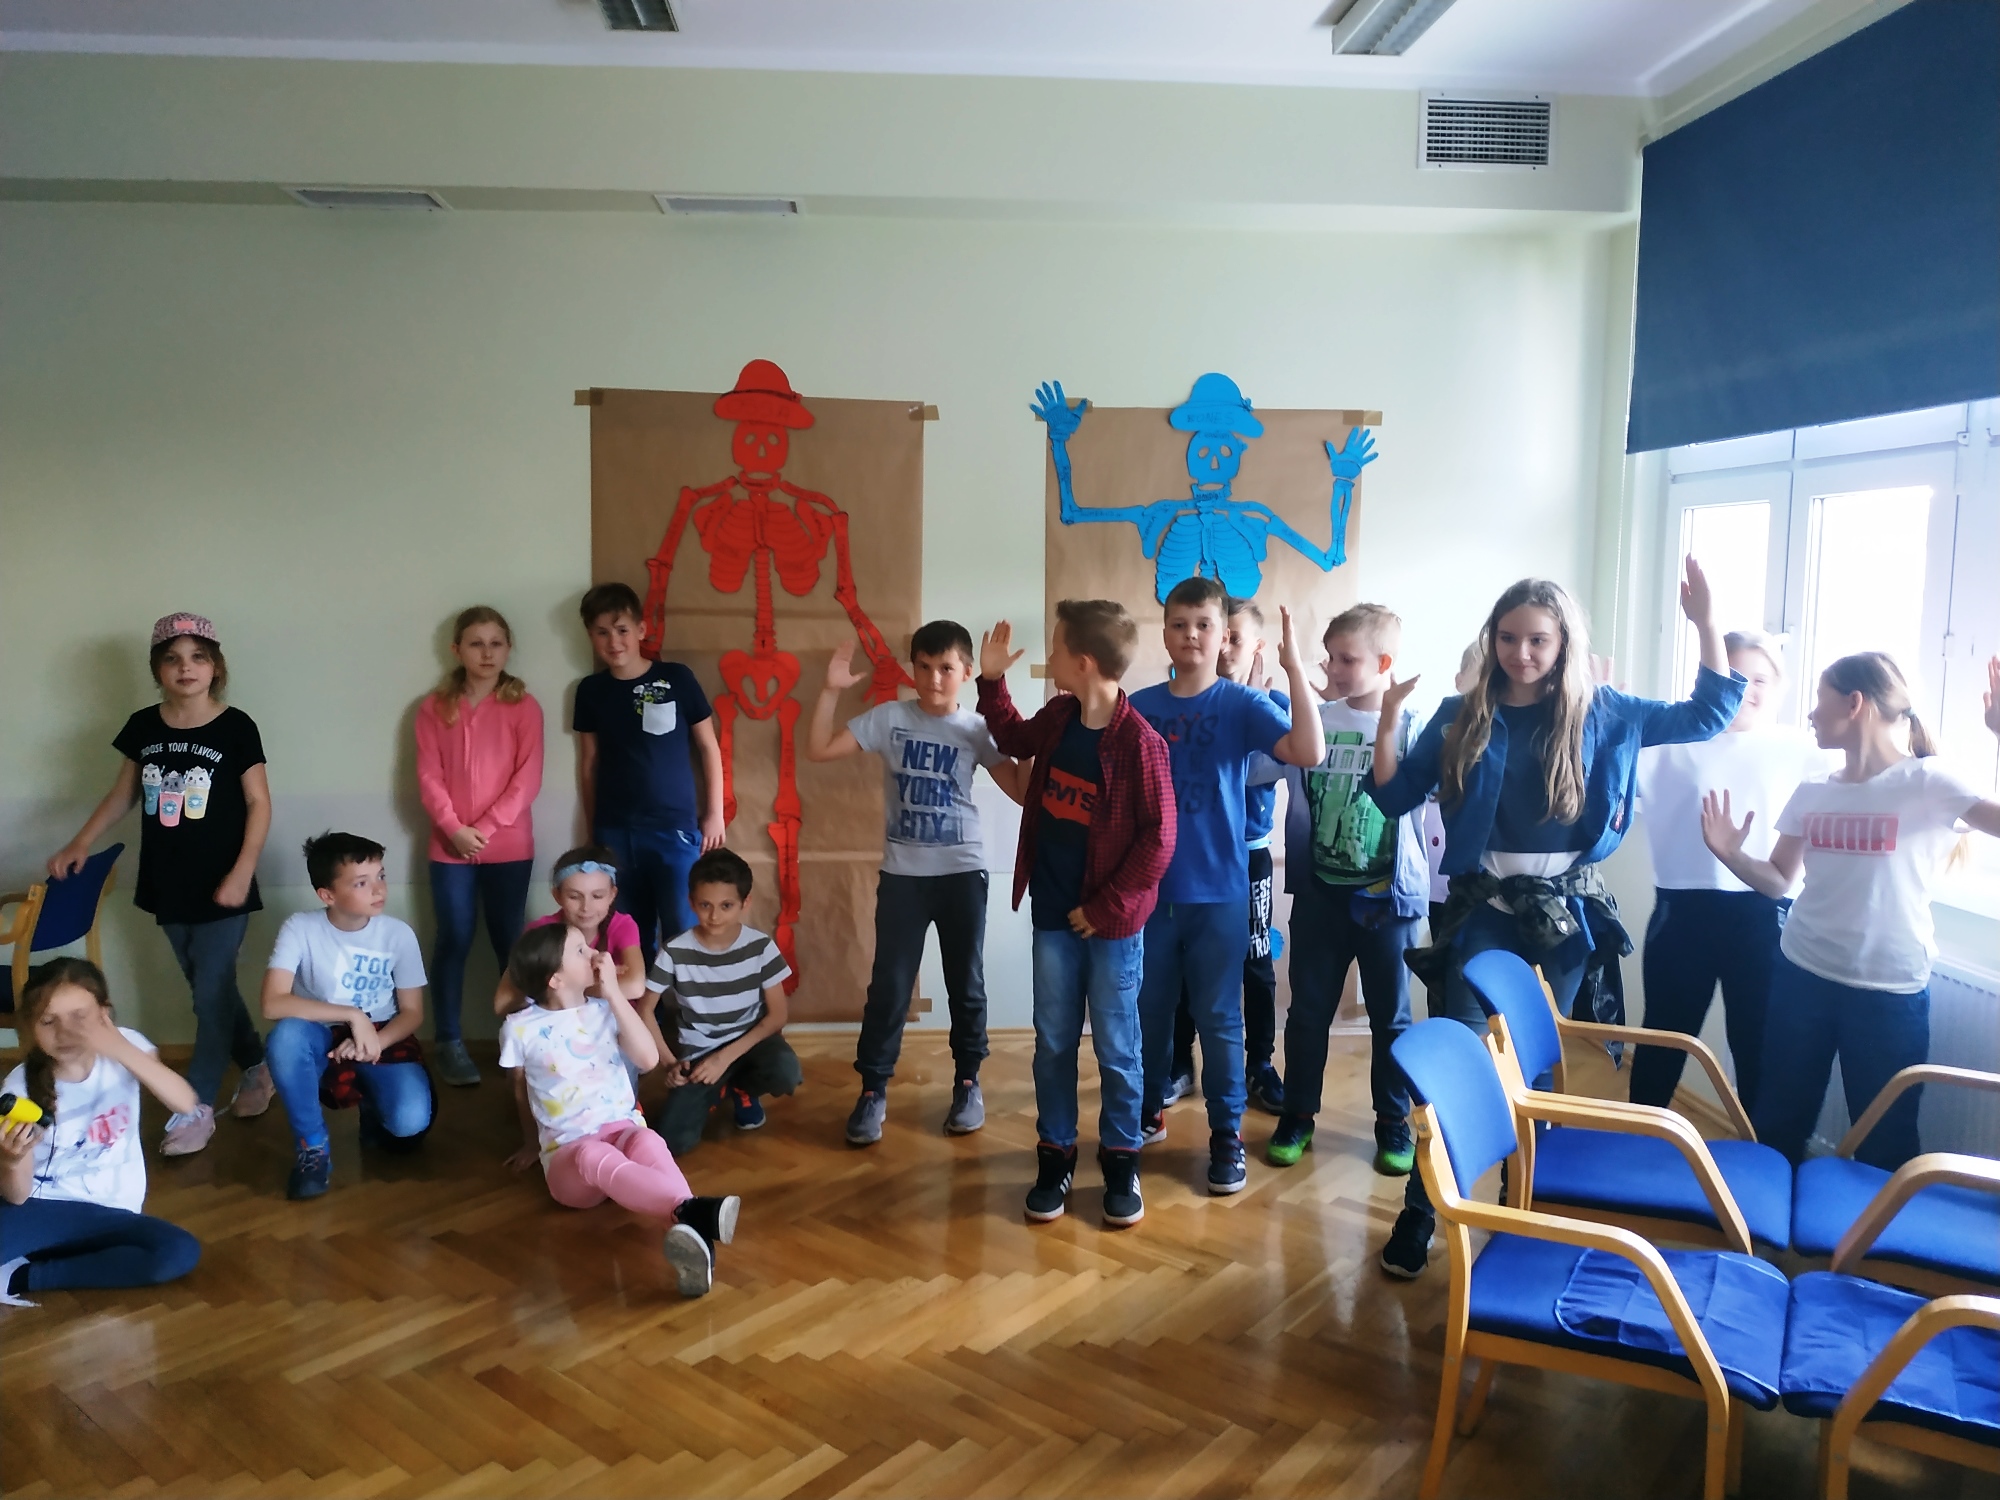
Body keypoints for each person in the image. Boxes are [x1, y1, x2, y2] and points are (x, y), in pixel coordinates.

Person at [1365, 560, 1740, 1278]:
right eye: (1508, 639)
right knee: (1459, 1057)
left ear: (1564, 642)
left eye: (1537, 640)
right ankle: (1421, 1211)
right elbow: (1392, 796)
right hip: (1483, 908)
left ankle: (1523, 1202)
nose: (1521, 653)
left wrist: (1706, 623)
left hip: (1563, 917)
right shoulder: (1461, 714)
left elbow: (1708, 714)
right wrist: (1387, 720)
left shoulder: (1606, 711)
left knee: (1533, 1068)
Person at [1701, 652, 2000, 1169]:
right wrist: (1731, 854)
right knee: (1778, 1123)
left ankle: (1874, 1227)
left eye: (1821, 700)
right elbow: (1778, 880)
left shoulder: (1927, 780)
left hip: (1888, 991)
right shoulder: (1814, 790)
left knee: (1886, 1140)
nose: (1811, 714)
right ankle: (1764, 1223)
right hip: (1801, 976)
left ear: (1855, 703)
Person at [976, 602, 1175, 1227]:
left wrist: (1105, 906)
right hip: (1052, 919)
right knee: (1054, 1042)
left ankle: (1121, 1161)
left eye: (1057, 647)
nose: (1050, 656)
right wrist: (990, 681)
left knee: (1118, 1048)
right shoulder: (1060, 716)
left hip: (1111, 928)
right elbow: (1013, 739)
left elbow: (1159, 840)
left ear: (1082, 662)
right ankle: (1055, 1156)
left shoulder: (1141, 744)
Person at [48, 613, 273, 1157]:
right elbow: (123, 794)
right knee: (209, 989)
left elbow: (259, 802)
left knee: (210, 995)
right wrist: (80, 841)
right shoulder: (144, 726)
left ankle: (193, 1106)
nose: (185, 668)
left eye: (197, 657)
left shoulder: (236, 726)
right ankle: (257, 1066)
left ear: (215, 667)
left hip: (225, 883)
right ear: (157, 669)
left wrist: (242, 872)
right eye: (172, 659)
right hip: (168, 882)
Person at [1128, 577, 1323, 1196]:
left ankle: (1225, 1135)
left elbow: (1308, 750)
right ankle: (1145, 1111)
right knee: (1150, 1012)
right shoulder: (1140, 706)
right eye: (1180, 624)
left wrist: (1293, 668)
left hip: (1220, 892)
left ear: (1223, 636)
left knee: (1219, 1019)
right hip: (1152, 894)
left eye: (1204, 625)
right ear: (1165, 634)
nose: (1191, 635)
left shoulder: (1240, 705)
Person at [805, 621, 1028, 1146]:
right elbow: (818, 749)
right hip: (903, 875)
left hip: (962, 872)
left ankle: (968, 1083)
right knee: (889, 986)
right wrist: (830, 690)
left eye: (946, 668)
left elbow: (1023, 791)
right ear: (912, 669)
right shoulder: (890, 718)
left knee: (965, 983)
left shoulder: (976, 728)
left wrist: (1032, 737)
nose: (933, 679)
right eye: (924, 667)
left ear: (966, 672)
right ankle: (872, 1089)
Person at [1630, 630, 1833, 1113]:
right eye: (1735, 677)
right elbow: (1595, 785)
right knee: (1664, 1041)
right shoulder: (1667, 743)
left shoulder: (1805, 750)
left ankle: (1760, 1152)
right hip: (1682, 916)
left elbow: (1878, 778)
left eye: (1759, 679)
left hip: (1765, 917)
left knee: (1759, 1047)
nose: (1747, 689)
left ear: (1779, 687)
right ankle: (1639, 1140)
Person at [1266, 605, 1431, 1177]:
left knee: (1391, 1018)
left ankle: (1393, 1122)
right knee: (1307, 1013)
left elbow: (1433, 799)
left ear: (1383, 664)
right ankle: (1297, 1116)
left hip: (1388, 900)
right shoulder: (1315, 719)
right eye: (1328, 658)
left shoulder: (1412, 727)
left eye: (1347, 659)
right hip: (1321, 895)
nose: (1333, 669)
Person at [499, 923, 740, 1297]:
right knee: (592, 1153)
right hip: (570, 1160)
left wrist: (613, 993)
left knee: (647, 1139)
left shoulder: (605, 1009)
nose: (596, 953)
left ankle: (694, 1236)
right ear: (555, 980)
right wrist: (531, 1143)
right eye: (580, 950)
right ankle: (692, 1211)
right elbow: (520, 1090)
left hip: (621, 1131)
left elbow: (647, 1060)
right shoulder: (520, 1028)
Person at [0, 960, 202, 1304]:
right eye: (48, 1021)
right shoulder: (19, 1088)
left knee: (178, 1252)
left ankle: (25, 1276)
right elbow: (18, 1197)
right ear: (32, 1027)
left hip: (113, 1211)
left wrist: (118, 1047)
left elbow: (185, 1103)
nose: (65, 1032)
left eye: (79, 1017)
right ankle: (39, 1254)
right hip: (43, 1208)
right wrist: (10, 1159)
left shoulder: (128, 1047)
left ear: (104, 1014)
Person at [261, 832, 434, 1202]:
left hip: (381, 1035)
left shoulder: (398, 934)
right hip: (319, 1035)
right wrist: (352, 1016)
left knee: (408, 1125)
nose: (379, 889)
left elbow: (412, 1012)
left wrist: (370, 1042)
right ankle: (313, 1148)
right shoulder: (300, 927)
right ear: (327, 895)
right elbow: (272, 1003)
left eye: (381, 876)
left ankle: (373, 1105)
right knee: (285, 1038)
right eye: (361, 882)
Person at [415, 605, 544, 1088]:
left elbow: (526, 780)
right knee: (453, 938)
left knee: (511, 942)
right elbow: (428, 777)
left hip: (509, 847)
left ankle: (524, 1042)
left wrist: (484, 828)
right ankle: (449, 1042)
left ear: (508, 649)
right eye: (476, 643)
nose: (486, 653)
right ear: (457, 650)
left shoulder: (524, 707)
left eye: (496, 643)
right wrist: (454, 829)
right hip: (449, 848)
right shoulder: (434, 707)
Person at [573, 582, 726, 971]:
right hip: (615, 832)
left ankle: (688, 1008)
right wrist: (593, 830)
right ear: (590, 636)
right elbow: (589, 763)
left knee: (683, 930)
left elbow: (708, 747)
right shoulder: (591, 691)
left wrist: (715, 813)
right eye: (602, 632)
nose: (613, 642)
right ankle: (639, 1009)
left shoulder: (677, 678)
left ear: (641, 630)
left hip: (673, 830)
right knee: (628, 937)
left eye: (622, 630)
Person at [644, 848, 802, 1155]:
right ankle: (716, 1088)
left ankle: (741, 1088)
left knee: (786, 1072)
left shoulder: (760, 947)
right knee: (672, 1141)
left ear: (745, 903)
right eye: (705, 905)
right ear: (692, 902)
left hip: (750, 1040)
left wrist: (724, 1059)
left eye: (726, 906)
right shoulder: (675, 951)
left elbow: (777, 1016)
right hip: (701, 1049)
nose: (714, 916)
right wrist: (669, 1063)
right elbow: (646, 1010)